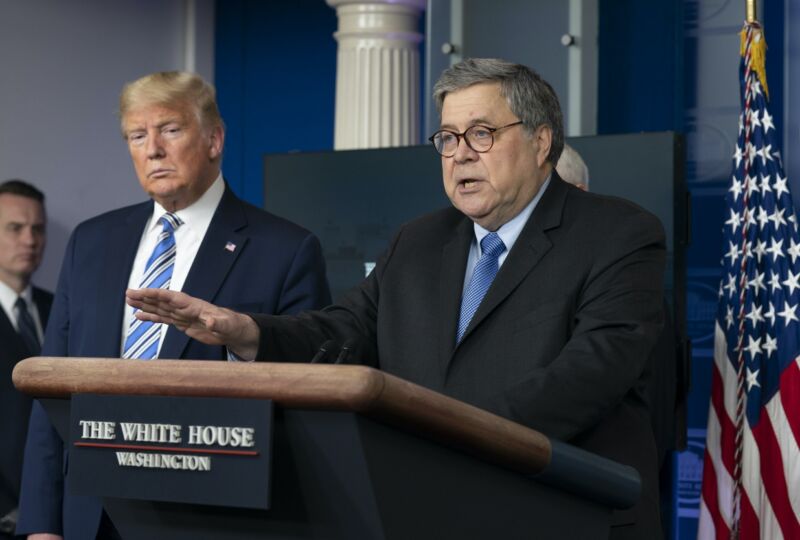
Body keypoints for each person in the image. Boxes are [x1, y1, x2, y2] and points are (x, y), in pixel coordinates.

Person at [127, 59, 666, 538]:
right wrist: (244, 331)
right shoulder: (420, 240)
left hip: (564, 515)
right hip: (427, 513)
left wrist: (439, 439)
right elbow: (344, 331)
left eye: (481, 134)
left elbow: (593, 371)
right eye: (448, 139)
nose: (459, 156)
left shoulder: (616, 232)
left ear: (541, 141)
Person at [17, 72, 331, 540]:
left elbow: (308, 401)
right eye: (137, 136)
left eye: (170, 129)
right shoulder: (92, 241)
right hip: (88, 512)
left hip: (208, 516)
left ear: (214, 139)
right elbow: (51, 389)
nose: (153, 150)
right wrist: (41, 525)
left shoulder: (285, 249)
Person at [0, 181, 51, 538]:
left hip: (54, 517)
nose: (30, 240)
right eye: (15, 228)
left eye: (38, 229)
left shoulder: (62, 308)